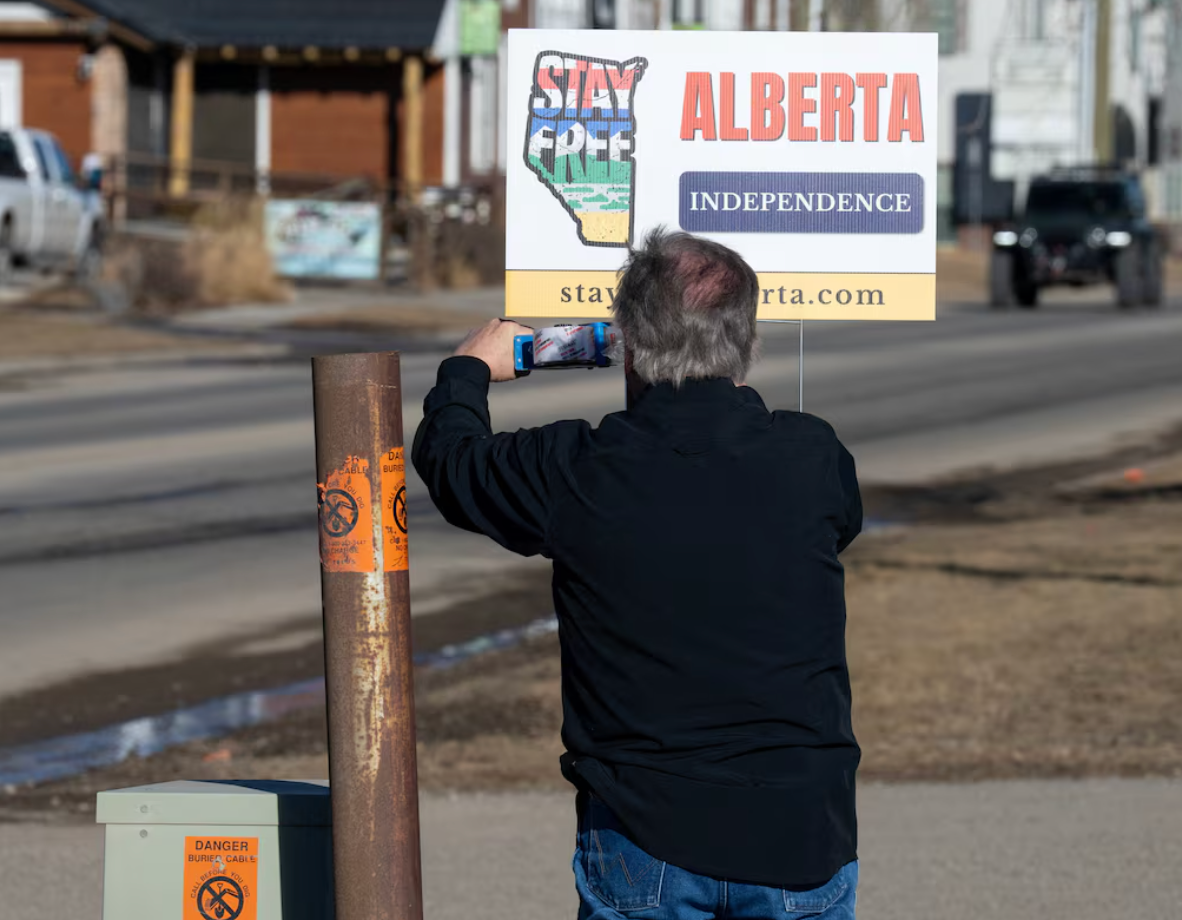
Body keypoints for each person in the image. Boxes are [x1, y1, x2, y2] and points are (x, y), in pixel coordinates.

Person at [412, 228, 863, 919]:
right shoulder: (813, 457)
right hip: (801, 828)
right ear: (746, 342)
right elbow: (842, 520)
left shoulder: (577, 471)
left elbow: (453, 460)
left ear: (624, 341)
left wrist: (468, 370)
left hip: (644, 830)